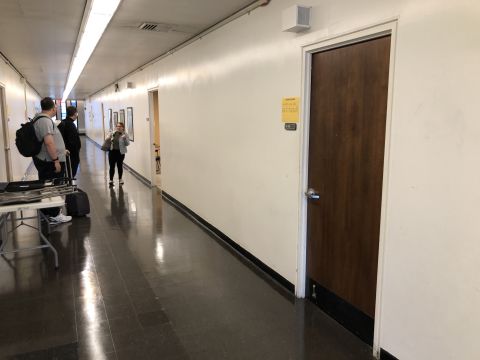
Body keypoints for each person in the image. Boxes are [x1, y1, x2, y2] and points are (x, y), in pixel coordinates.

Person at [32, 97, 72, 224]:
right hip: (49, 161)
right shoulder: (44, 121)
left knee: (48, 186)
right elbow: (49, 143)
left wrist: (61, 151)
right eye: (56, 107)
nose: (56, 109)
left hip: (47, 158)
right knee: (53, 187)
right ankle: (54, 215)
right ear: (53, 108)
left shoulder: (41, 119)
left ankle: (47, 213)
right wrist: (56, 160)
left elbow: (50, 141)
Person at [58, 106, 81, 177]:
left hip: (63, 152)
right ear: (75, 114)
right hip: (70, 155)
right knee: (71, 173)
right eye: (76, 113)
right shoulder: (71, 125)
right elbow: (73, 142)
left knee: (66, 173)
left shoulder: (62, 123)